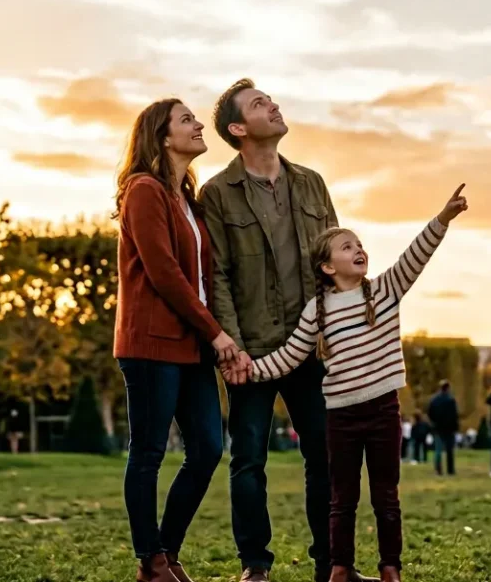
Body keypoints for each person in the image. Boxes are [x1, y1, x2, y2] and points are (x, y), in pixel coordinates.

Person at [229, 184, 468, 582]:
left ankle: (390, 568)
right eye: (346, 246)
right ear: (327, 267)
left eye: (358, 244)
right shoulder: (316, 313)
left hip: (383, 410)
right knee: (342, 499)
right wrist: (248, 369)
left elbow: (416, 255)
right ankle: (340, 568)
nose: (358, 249)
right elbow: (289, 357)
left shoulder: (385, 291)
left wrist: (442, 219)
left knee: (386, 496)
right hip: (340, 415)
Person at [200, 80, 349, 582]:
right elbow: (216, 274)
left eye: (271, 99)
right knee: (248, 460)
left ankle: (329, 563)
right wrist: (231, 348)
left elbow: (336, 262)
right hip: (253, 350)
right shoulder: (218, 193)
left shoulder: (312, 183)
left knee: (325, 456)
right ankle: (255, 565)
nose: (274, 104)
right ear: (239, 129)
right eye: (260, 104)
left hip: (313, 346)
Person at [114, 98, 240, 582]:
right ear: (163, 137)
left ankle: (166, 551)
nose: (197, 124)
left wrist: (211, 336)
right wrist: (217, 333)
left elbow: (201, 279)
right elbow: (164, 272)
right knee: (147, 452)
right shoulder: (143, 190)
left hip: (189, 345)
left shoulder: (185, 199)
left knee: (208, 447)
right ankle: (152, 561)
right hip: (150, 343)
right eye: (186, 119)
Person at [427, 381, 460, 476]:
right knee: (450, 450)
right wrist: (455, 427)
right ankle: (450, 470)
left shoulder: (434, 400)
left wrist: (434, 423)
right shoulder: (451, 400)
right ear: (448, 388)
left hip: (438, 428)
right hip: (449, 428)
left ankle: (438, 470)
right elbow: (454, 415)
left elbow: (430, 413)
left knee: (438, 450)